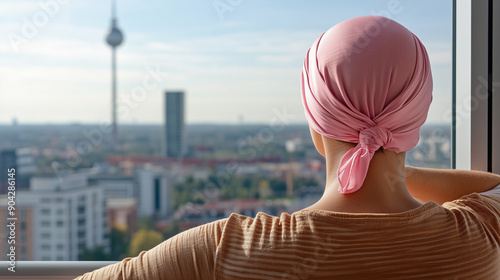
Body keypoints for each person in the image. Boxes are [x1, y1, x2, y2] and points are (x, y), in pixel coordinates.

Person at [75, 15, 500, 279]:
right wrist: (387, 169)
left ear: (316, 127)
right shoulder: (479, 237)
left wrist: (370, 157)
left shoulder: (222, 251)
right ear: (417, 123)